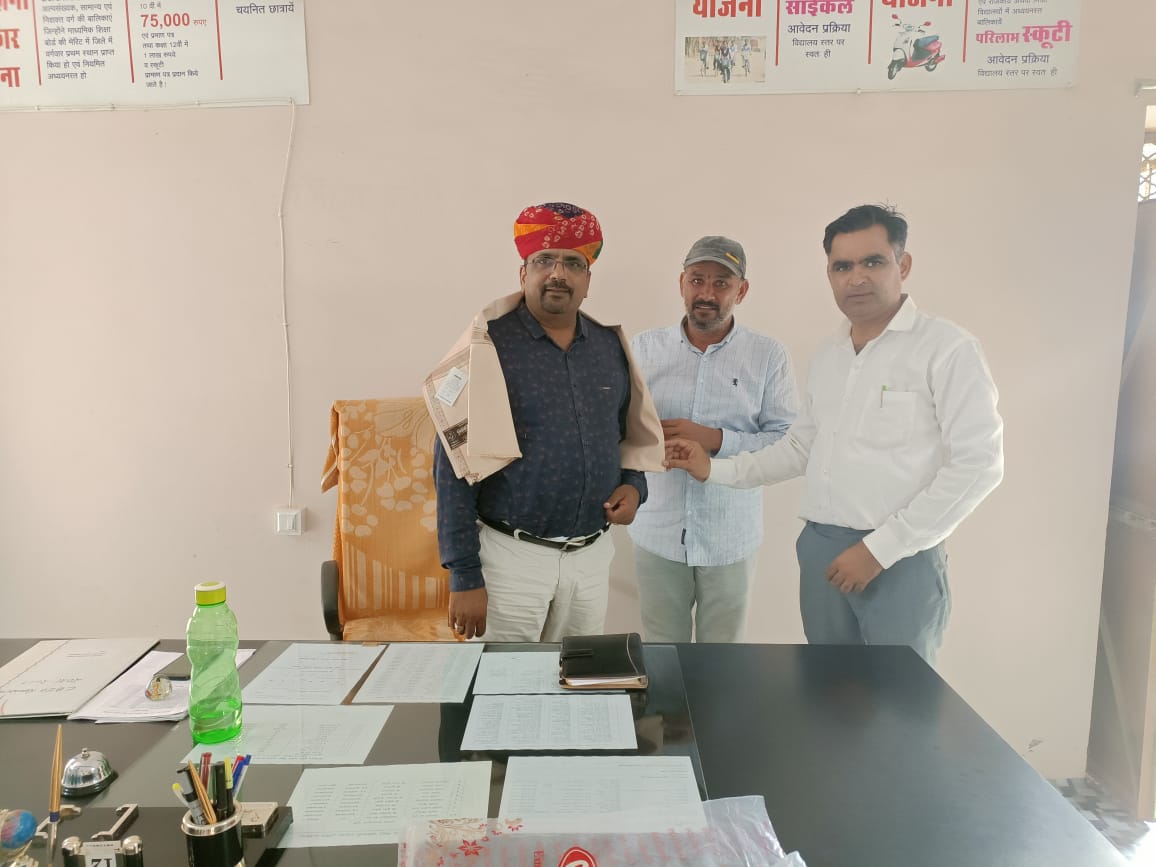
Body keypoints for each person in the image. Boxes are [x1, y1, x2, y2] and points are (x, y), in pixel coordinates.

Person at [665, 205, 1004, 664]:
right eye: (842, 266)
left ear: (903, 264)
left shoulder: (946, 349)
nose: (856, 278)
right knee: (829, 690)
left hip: (899, 556)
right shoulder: (830, 355)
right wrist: (713, 470)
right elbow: (799, 448)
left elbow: (979, 465)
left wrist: (880, 550)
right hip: (822, 553)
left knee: (900, 697)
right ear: (829, 275)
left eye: (873, 262)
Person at [428, 202, 664, 642]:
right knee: (504, 681)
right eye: (544, 260)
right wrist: (464, 574)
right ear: (523, 274)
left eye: (573, 263)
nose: (558, 273)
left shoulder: (608, 348)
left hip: (591, 560)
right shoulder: (487, 347)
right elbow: (454, 468)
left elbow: (626, 436)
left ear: (588, 281)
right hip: (510, 562)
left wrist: (635, 486)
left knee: (576, 676)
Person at [628, 236, 796, 642]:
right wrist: (648, 443)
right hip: (657, 529)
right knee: (661, 650)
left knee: (723, 658)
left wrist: (714, 440)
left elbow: (786, 442)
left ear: (742, 290)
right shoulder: (643, 348)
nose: (707, 293)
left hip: (729, 535)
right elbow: (622, 427)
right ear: (681, 283)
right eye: (697, 279)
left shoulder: (768, 355)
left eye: (721, 283)